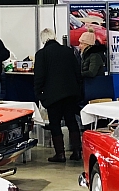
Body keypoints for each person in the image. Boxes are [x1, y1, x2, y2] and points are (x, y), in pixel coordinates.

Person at [34, 28, 84, 162]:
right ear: (54, 37)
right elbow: (77, 72)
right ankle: (77, 151)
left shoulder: (41, 54)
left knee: (55, 124)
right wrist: (78, 91)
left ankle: (60, 154)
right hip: (70, 94)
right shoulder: (68, 51)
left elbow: (39, 77)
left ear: (43, 40)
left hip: (53, 96)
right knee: (71, 121)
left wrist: (39, 95)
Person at [78, 30, 107, 101]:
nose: (79, 46)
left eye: (81, 44)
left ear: (88, 45)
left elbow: (92, 73)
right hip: (88, 87)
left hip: (94, 88)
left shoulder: (95, 56)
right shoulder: (85, 55)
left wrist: (78, 74)